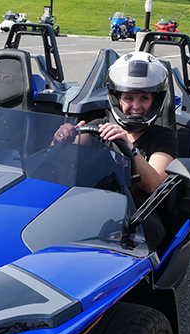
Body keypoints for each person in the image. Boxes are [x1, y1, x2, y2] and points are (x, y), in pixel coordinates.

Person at [54, 52, 177, 249]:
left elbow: (153, 185)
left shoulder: (164, 137)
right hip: (95, 205)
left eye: (144, 98)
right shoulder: (100, 126)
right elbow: (58, 159)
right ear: (117, 98)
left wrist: (128, 146)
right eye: (129, 98)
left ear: (155, 101)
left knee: (151, 233)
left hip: (137, 214)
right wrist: (62, 138)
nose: (136, 107)